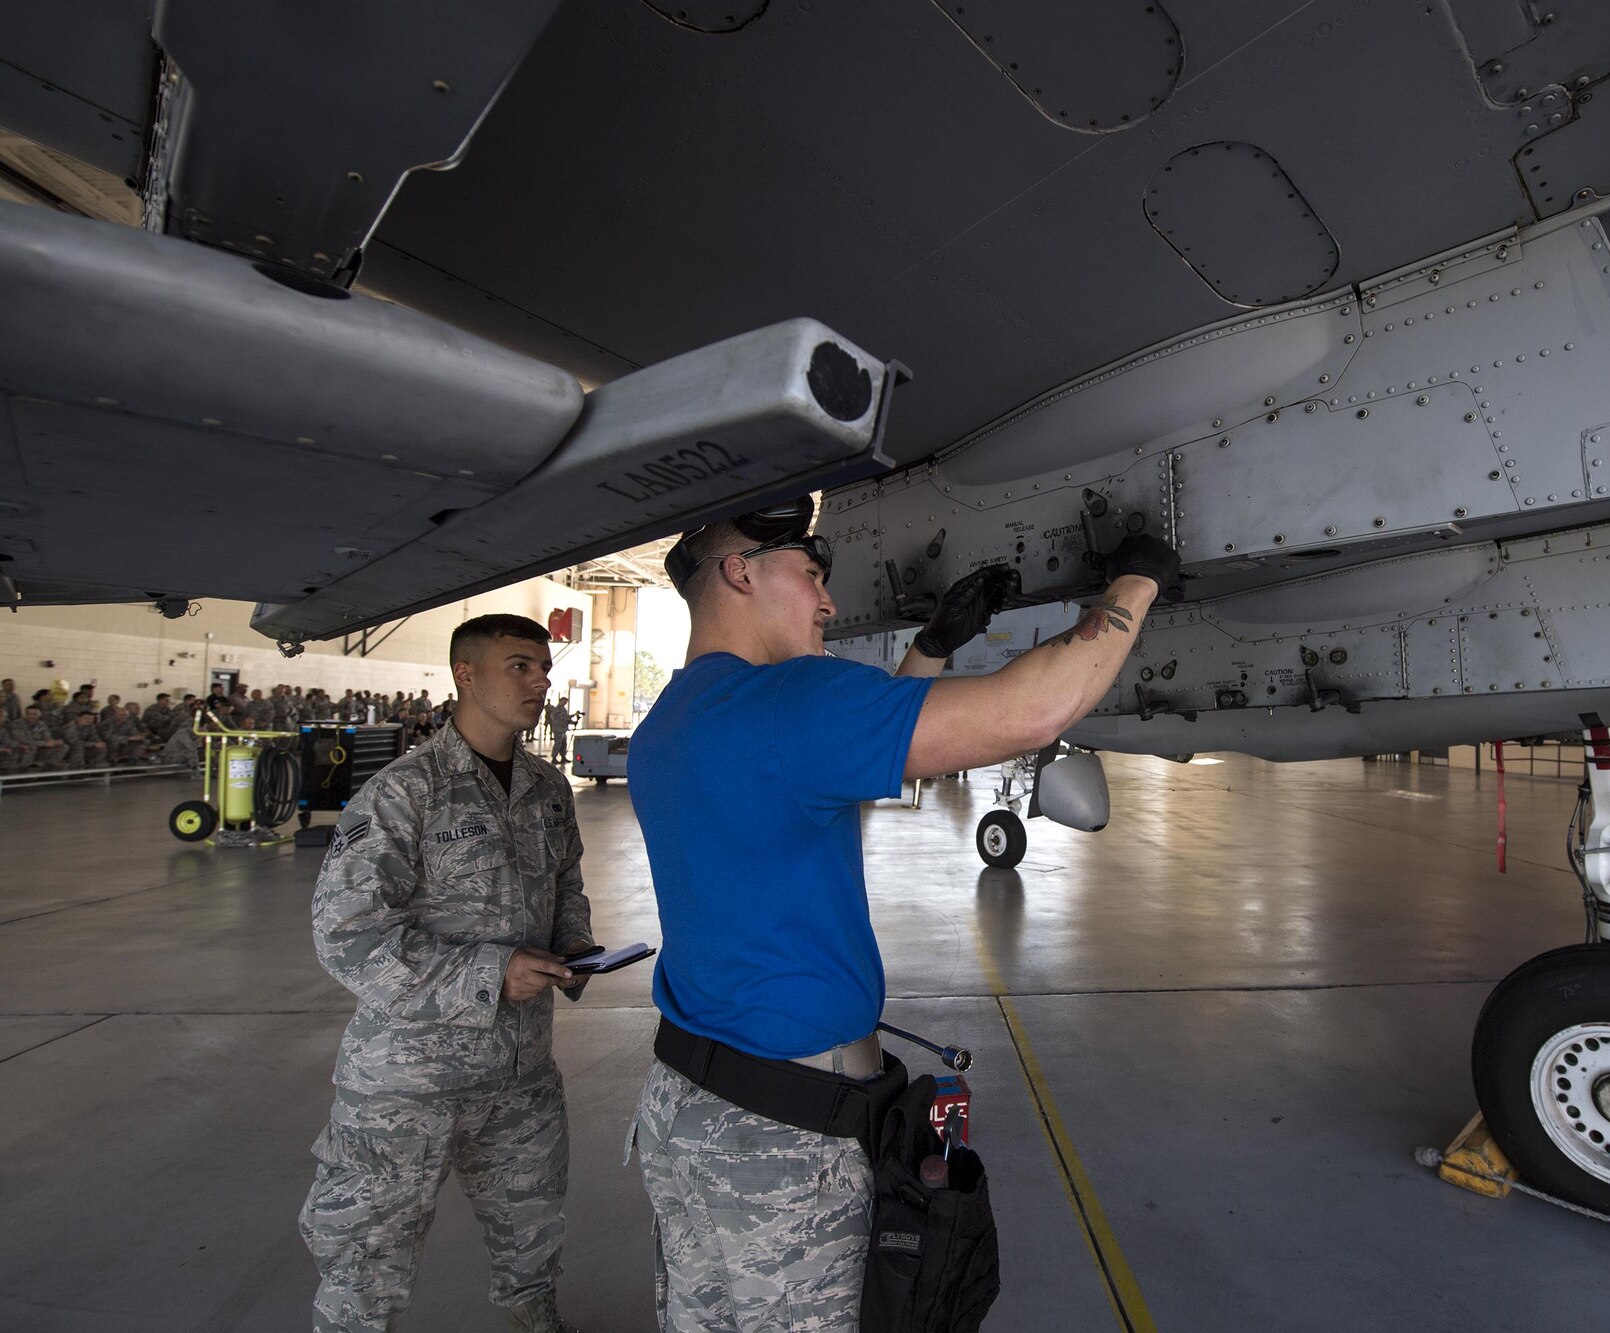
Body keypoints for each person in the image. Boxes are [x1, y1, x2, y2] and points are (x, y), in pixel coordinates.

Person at [626, 496, 1175, 1331]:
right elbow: (1031, 711)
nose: (829, 601)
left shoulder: (670, 724)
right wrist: (1137, 582)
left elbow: (828, 758)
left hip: (688, 1113)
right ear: (741, 572)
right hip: (785, 1139)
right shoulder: (788, 701)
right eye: (810, 574)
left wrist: (931, 647)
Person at [300, 613, 595, 1333]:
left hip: (520, 1072)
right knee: (366, 1257)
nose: (540, 680)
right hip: (410, 1079)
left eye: (543, 667)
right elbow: (347, 934)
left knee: (531, 1235)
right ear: (467, 673)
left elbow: (568, 887)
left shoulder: (548, 788)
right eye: (520, 666)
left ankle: (534, 1317)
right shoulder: (407, 790)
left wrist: (577, 949)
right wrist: (491, 972)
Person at [544, 700, 571, 765]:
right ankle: (554, 757)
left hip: (563, 729)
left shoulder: (563, 709)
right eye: (564, 701)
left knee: (564, 743)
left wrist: (572, 721)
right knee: (558, 744)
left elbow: (566, 718)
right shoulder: (556, 709)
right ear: (561, 701)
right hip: (558, 729)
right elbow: (556, 718)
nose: (565, 703)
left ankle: (563, 756)